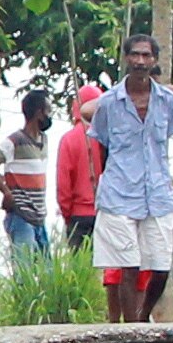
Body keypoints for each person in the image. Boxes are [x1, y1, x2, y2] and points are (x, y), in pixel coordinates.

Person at [87, 33, 173, 324]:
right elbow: (104, 138)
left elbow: (166, 134)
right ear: (126, 58)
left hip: (157, 192)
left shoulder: (167, 102)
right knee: (128, 264)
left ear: (155, 60)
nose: (140, 61)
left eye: (147, 56)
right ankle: (131, 327)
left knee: (160, 265)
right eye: (135, 55)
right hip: (120, 192)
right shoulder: (108, 104)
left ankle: (143, 315)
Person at [0, 88, 57, 258]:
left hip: (39, 216)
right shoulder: (13, 142)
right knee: (25, 272)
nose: (50, 115)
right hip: (20, 214)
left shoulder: (44, 140)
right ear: (39, 113)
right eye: (48, 111)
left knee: (47, 273)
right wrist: (6, 192)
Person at [54, 78, 107, 250]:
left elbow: (63, 185)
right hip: (105, 215)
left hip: (78, 216)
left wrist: (67, 214)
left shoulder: (69, 140)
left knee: (80, 272)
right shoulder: (107, 138)